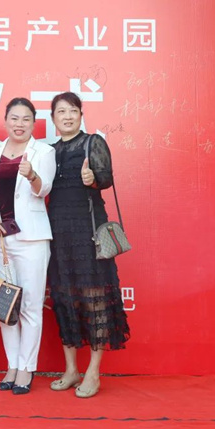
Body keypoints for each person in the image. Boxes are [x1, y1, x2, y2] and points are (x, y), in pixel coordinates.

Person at [47, 91, 131, 399]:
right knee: (64, 298)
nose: (67, 116)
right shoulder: (49, 150)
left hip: (88, 231)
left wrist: (91, 179)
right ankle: (71, 369)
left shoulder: (92, 142)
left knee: (95, 298)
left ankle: (93, 372)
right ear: (53, 119)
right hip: (58, 232)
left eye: (73, 111)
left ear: (81, 115)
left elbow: (106, 178)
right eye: (61, 112)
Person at [0, 98, 56, 395]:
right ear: (6, 121)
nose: (19, 124)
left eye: (26, 119)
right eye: (14, 118)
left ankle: (26, 367)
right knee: (5, 305)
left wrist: (32, 174)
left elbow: (44, 188)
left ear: (33, 123)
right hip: (1, 240)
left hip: (32, 240)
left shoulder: (44, 152)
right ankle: (11, 365)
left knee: (31, 306)